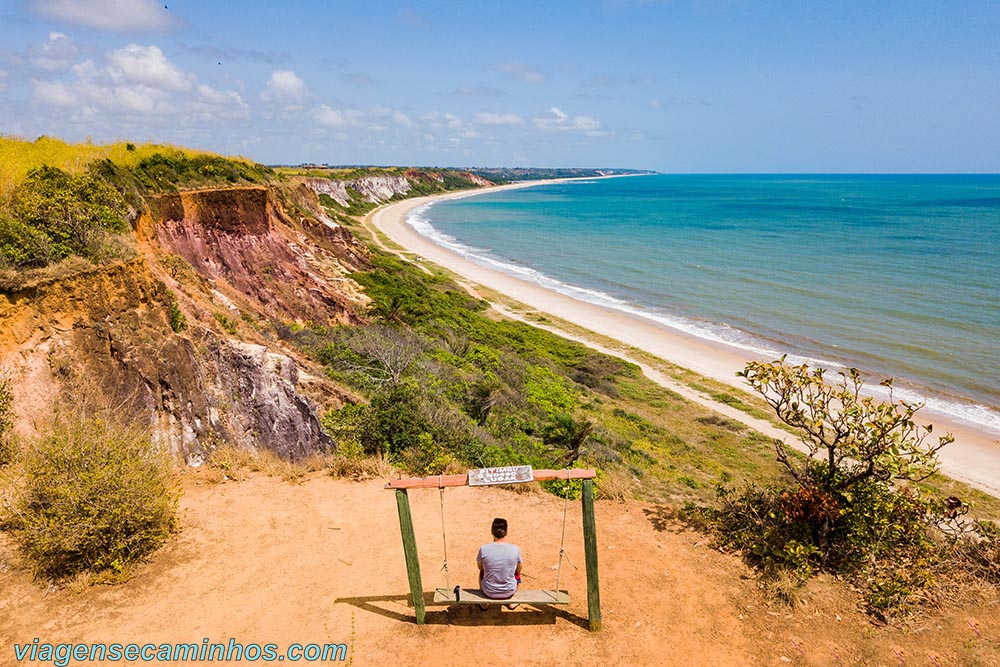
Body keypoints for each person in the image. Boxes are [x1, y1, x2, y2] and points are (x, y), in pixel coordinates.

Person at [476, 517, 522, 610]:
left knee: (482, 572)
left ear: (491, 532)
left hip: (489, 591)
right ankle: (511, 602)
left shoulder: (484, 549)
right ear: (506, 532)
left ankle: (484, 603)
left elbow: (479, 567)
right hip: (509, 591)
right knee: (517, 573)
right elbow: (519, 569)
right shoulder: (515, 549)